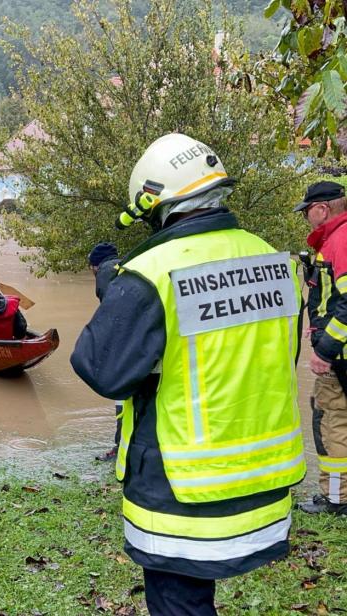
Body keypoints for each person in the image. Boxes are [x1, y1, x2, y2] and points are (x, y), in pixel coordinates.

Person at [70, 133, 306, 615]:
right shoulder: (273, 259)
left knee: (180, 605)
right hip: (263, 485)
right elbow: (248, 353)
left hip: (184, 496)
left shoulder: (150, 272)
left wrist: (116, 296)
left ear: (155, 203)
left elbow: (102, 371)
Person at [293, 180, 347, 515]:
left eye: (307, 212)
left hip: (340, 355)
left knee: (331, 422)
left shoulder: (339, 241)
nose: (306, 220)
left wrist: (324, 350)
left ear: (322, 209)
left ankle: (336, 499)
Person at [87, 242, 123, 462]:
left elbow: (110, 314)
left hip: (127, 344)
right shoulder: (129, 265)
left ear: (94, 265)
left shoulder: (104, 275)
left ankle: (120, 449)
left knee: (123, 398)